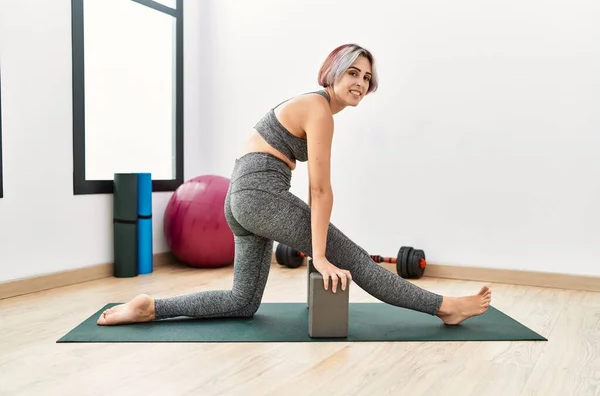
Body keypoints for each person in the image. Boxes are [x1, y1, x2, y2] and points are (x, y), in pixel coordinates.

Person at [97, 44, 491, 326]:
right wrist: (319, 256)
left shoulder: (311, 106)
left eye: (367, 77)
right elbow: (320, 190)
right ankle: (445, 307)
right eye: (353, 71)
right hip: (259, 195)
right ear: (332, 71)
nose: (360, 82)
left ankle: (152, 308)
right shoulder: (319, 109)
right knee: (352, 258)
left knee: (241, 302)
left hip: (241, 198)